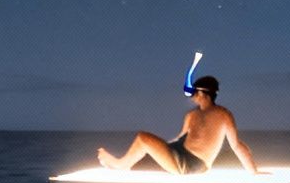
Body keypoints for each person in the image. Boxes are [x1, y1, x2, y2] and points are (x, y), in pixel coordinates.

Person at [97, 75, 257, 175]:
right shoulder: (192, 115)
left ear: (202, 94)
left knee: (142, 138)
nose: (192, 97)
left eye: (194, 93)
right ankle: (127, 164)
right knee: (146, 148)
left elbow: (236, 145)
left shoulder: (223, 115)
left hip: (192, 164)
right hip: (179, 153)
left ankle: (120, 165)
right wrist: (160, 148)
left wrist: (253, 171)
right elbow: (180, 138)